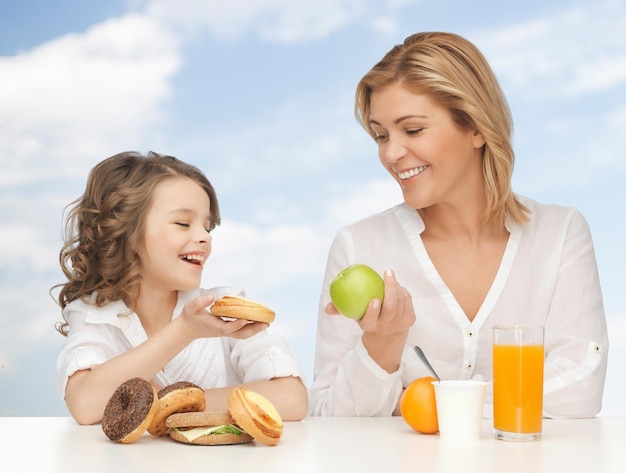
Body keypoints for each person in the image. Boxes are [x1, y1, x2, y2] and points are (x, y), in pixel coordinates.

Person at [309, 32, 608, 418]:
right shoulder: (358, 245)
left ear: (477, 127)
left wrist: (429, 405)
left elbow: (580, 387)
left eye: (412, 130)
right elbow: (326, 416)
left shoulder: (561, 233)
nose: (391, 153)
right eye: (381, 135)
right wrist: (381, 345)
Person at [54, 151, 308, 425]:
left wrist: (169, 402)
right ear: (126, 233)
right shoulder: (92, 315)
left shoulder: (224, 307)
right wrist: (184, 331)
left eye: (208, 227)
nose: (204, 238)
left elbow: (292, 399)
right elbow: (85, 405)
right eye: (183, 223)